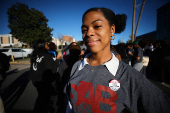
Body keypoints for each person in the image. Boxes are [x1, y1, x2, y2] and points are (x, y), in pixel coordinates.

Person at [65, 7, 170, 113]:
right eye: (84, 30)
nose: (88, 33)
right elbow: (70, 105)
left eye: (97, 26)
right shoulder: (77, 66)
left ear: (112, 30)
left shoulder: (130, 76)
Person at [28, 39, 60, 113]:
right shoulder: (46, 56)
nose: (47, 46)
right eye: (46, 44)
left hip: (35, 80)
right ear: (42, 45)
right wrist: (57, 59)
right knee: (47, 98)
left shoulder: (34, 55)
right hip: (44, 81)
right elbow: (52, 70)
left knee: (41, 97)